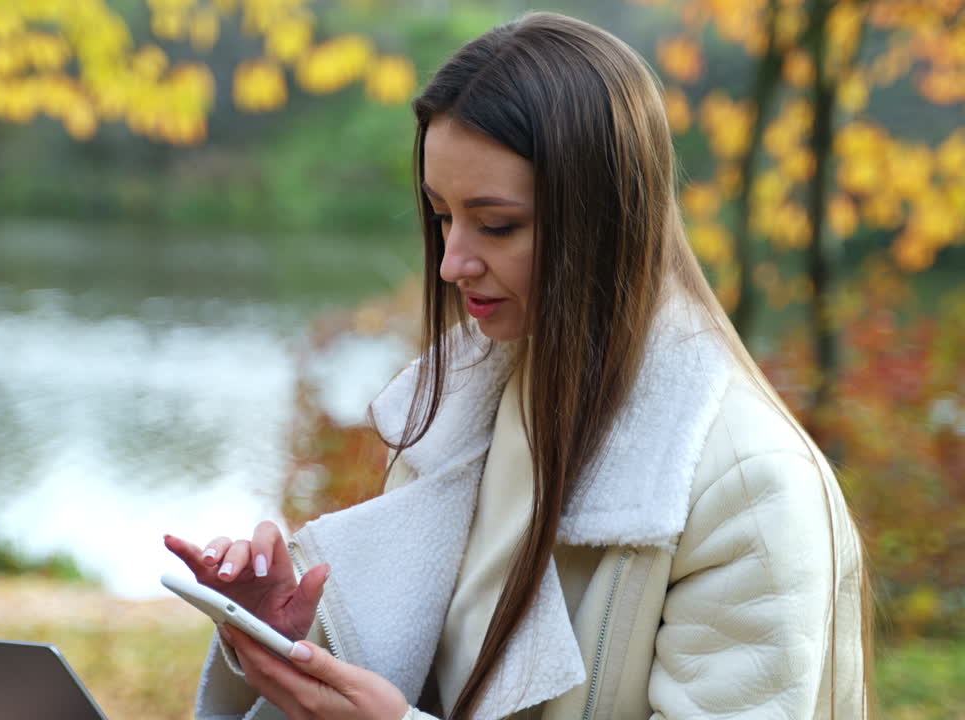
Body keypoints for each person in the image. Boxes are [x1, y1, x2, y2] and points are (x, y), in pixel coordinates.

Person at [164, 11, 869, 720]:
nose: (451, 263)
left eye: (496, 224)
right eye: (442, 215)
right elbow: (428, 672)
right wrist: (293, 639)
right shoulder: (462, 415)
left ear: (607, 218)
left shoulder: (747, 491)